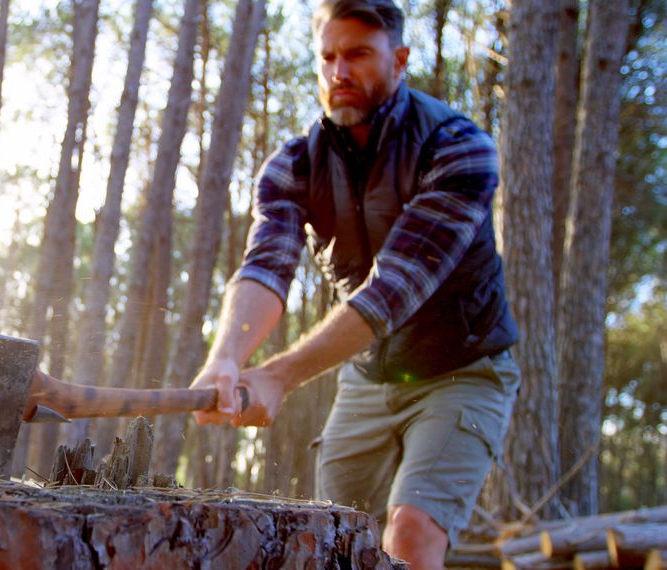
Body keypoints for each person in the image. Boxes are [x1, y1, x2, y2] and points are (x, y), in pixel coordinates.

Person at [188, 1, 521, 568]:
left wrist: (279, 374)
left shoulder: (459, 147)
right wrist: (227, 358)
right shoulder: (292, 166)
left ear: (399, 59)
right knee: (333, 538)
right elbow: (268, 266)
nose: (340, 71)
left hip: (465, 371)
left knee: (411, 534)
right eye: (328, 57)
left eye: (359, 54)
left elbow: (395, 288)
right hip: (370, 376)